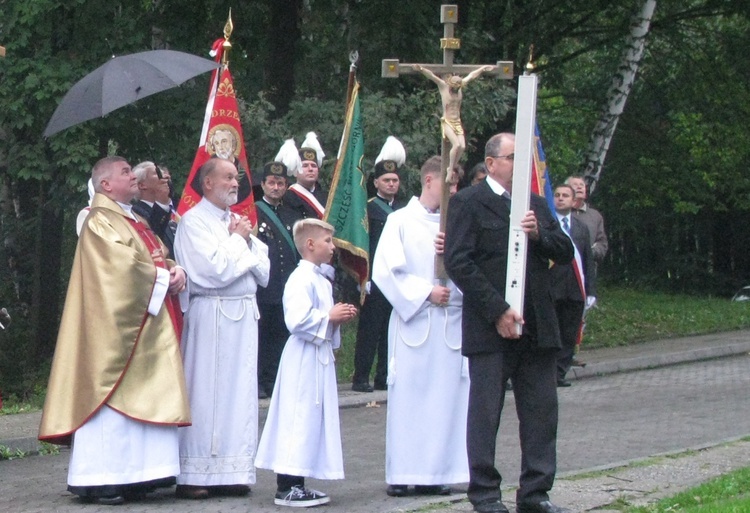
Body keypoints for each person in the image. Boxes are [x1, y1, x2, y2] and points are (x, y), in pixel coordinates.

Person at [39, 156, 190, 505]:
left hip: (144, 323)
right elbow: (119, 270)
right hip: (112, 330)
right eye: (125, 172)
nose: (133, 176)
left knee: (144, 395)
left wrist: (174, 268)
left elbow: (154, 255)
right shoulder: (98, 221)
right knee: (111, 400)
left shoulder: (134, 217)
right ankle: (101, 477)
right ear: (106, 184)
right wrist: (163, 276)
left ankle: (139, 474)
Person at [444, 133, 574, 513]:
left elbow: (564, 251)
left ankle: (535, 494)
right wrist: (497, 310)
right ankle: (485, 493)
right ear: (492, 162)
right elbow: (459, 262)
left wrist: (539, 233)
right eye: (514, 157)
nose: (521, 165)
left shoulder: (534, 204)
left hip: (536, 324)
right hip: (491, 327)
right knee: (485, 413)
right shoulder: (469, 202)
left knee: (541, 413)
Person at [173, 157, 270, 499]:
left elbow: (264, 269)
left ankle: (233, 469)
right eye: (228, 177)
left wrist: (239, 243)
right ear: (208, 183)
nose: (235, 183)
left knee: (239, 393)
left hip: (243, 314)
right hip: (211, 314)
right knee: (207, 392)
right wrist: (238, 243)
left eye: (237, 177)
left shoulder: (236, 222)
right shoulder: (192, 222)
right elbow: (210, 271)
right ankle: (196, 473)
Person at [372, 155, 469, 497]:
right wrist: (426, 291)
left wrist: (452, 282)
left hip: (450, 324)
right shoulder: (400, 221)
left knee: (445, 399)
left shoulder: (457, 223)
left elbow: (474, 269)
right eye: (450, 183)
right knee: (410, 398)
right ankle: (402, 472)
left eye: (457, 183)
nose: (454, 190)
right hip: (416, 321)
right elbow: (385, 271)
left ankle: (436, 471)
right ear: (430, 180)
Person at [255, 218, 357, 508]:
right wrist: (329, 318)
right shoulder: (300, 278)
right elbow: (297, 320)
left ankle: (298, 481)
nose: (333, 247)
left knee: (309, 417)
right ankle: (287, 484)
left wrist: (336, 318)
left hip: (317, 355)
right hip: (302, 355)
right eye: (327, 241)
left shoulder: (319, 278)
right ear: (310, 244)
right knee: (297, 415)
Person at [352, 136, 406, 393]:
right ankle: (361, 377)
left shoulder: (404, 211)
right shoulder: (369, 209)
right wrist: (364, 276)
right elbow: (365, 244)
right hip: (374, 278)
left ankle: (383, 376)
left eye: (395, 180)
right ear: (375, 183)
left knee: (390, 331)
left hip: (395, 277)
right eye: (386, 180)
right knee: (369, 331)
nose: (391, 184)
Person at [255, 150, 302, 399]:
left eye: (280, 183)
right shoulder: (254, 213)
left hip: (287, 287)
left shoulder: (292, 216)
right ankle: (261, 381)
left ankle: (277, 380)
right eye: (271, 183)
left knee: (283, 338)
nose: (276, 187)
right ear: (263, 184)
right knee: (263, 337)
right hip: (265, 288)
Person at [550, 184, 596, 387]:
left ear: (574, 200)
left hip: (575, 288)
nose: (560, 199)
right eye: (557, 195)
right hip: (552, 289)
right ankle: (548, 373)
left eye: (565, 196)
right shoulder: (548, 224)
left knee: (569, 334)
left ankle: (560, 373)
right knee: (553, 333)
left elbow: (587, 260)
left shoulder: (580, 227)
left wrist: (591, 290)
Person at [413, 64, 495, 176]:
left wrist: (482, 69)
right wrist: (421, 69)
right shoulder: (443, 87)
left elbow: (471, 76)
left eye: (458, 87)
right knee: (456, 145)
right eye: (454, 87)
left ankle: (452, 166)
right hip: (447, 121)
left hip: (457, 122)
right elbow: (432, 76)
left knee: (462, 146)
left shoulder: (460, 87)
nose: (456, 88)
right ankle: (450, 169)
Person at [132, 161, 180, 257]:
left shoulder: (175, 207)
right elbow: (154, 236)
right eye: (157, 173)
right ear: (142, 185)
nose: (165, 177)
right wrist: (161, 203)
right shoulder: (137, 213)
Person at [284, 131, 328, 219]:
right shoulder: (288, 197)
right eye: (305, 166)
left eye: (313, 166)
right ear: (296, 172)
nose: (310, 169)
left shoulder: (326, 196)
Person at [565, 175, 608, 266]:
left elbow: (602, 243)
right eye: (575, 185)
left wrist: (590, 252)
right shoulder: (560, 212)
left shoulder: (595, 216)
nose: (580, 187)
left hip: (587, 269)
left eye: (582, 185)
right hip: (563, 267)